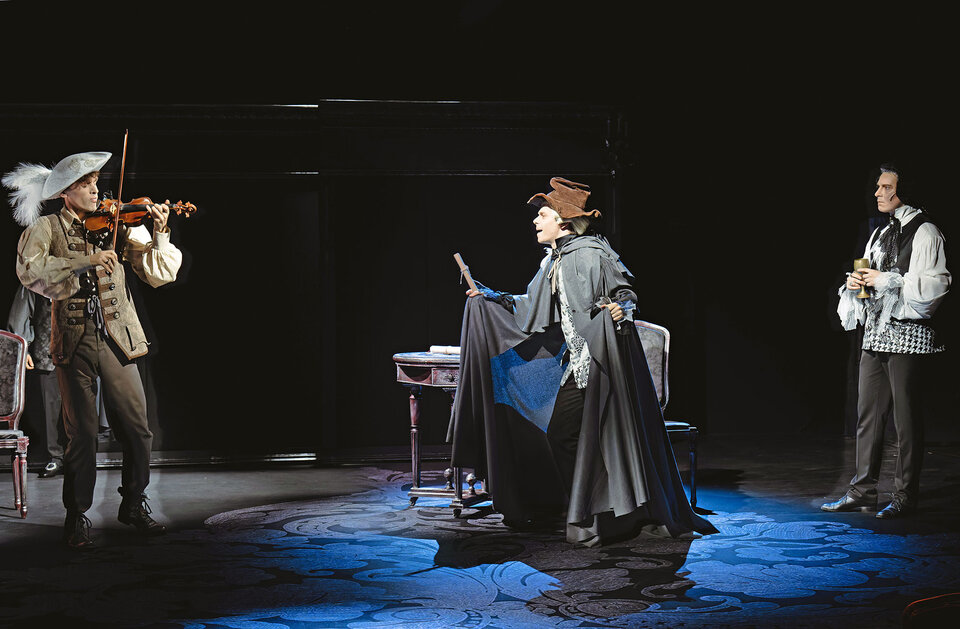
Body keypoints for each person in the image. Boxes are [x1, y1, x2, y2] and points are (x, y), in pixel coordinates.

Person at [449, 177, 716, 546]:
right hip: (577, 364)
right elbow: (531, 307)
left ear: (563, 222)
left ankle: (606, 512)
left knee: (586, 435)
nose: (536, 221)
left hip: (602, 362)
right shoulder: (553, 261)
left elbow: (625, 292)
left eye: (543, 215)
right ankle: (593, 507)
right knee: (564, 434)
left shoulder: (592, 253)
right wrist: (491, 297)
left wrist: (622, 308)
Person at [3, 151, 183, 548]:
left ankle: (133, 503)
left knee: (138, 429)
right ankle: (77, 515)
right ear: (65, 192)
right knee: (81, 435)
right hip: (74, 340)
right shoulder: (47, 227)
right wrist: (85, 260)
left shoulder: (116, 224)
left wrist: (160, 234)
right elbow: (30, 271)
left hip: (119, 338)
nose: (95, 191)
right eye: (85, 185)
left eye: (96, 183)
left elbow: (158, 274)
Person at [823, 163, 950, 519]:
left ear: (903, 190)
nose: (877, 193)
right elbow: (870, 278)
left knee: (905, 422)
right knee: (868, 416)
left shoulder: (926, 232)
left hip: (908, 337)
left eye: (886, 187)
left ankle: (905, 495)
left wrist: (887, 280)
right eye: (878, 186)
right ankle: (862, 491)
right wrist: (856, 284)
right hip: (875, 335)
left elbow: (934, 288)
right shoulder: (880, 232)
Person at [6, 285, 65, 478]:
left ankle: (79, 458)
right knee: (51, 408)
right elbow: (19, 317)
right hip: (47, 353)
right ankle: (56, 457)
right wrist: (25, 350)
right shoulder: (34, 282)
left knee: (80, 408)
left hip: (80, 352)